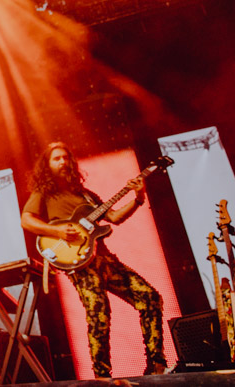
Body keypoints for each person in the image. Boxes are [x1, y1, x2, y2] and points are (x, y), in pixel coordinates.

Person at [20, 142, 166, 378]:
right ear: (47, 166)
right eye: (56, 159)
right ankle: (102, 376)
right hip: (80, 263)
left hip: (105, 259)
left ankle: (156, 365)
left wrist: (139, 197)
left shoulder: (87, 195)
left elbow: (115, 217)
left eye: (66, 157)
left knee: (150, 298)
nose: (63, 162)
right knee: (99, 313)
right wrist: (58, 232)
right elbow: (26, 220)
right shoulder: (45, 193)